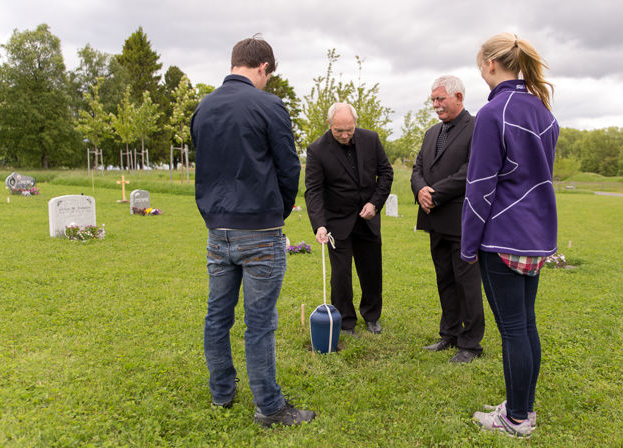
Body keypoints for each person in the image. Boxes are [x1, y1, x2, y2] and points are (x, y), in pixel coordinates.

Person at [191, 35, 315, 427]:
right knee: (259, 323)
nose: (267, 82)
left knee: (217, 315)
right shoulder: (268, 104)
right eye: (268, 75)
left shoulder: (203, 108)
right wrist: (279, 210)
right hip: (259, 227)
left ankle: (221, 393)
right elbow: (289, 166)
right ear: (263, 67)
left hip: (218, 229)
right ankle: (269, 407)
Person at [461, 33, 559, 438]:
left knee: (514, 330)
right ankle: (523, 407)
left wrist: (468, 243)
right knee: (525, 325)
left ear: (490, 64)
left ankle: (516, 419)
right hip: (536, 235)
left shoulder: (492, 112)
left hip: (502, 235)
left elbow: (480, 185)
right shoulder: (542, 110)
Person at [411, 75, 485, 364]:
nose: (435, 104)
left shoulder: (476, 127)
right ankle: (449, 334)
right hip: (435, 220)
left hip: (462, 220)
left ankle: (470, 344)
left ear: (459, 98)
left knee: (467, 283)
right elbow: (418, 167)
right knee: (444, 279)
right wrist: (420, 189)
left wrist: (435, 193)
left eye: (440, 99)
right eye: (433, 99)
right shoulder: (432, 133)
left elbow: (471, 171)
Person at [304, 102, 394, 335]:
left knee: (371, 271)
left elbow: (386, 173)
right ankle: (345, 321)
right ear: (329, 124)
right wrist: (319, 224)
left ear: (355, 123)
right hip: (337, 222)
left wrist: (375, 203)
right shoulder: (317, 150)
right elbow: (314, 190)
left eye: (349, 130)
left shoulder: (371, 139)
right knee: (341, 275)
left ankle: (372, 316)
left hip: (367, 220)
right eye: (339, 131)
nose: (345, 135)